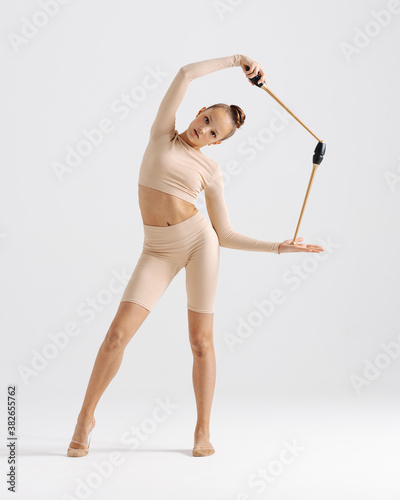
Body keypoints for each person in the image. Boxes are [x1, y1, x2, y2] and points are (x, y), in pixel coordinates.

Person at [67, 54, 324, 459]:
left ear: (217, 144)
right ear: (199, 111)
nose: (202, 130)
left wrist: (280, 246)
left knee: (201, 343)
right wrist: (238, 60)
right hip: (156, 249)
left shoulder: (210, 171)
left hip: (199, 243)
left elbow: (224, 234)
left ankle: (202, 431)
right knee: (117, 335)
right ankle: (85, 418)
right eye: (205, 120)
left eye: (212, 133)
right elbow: (185, 73)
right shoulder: (161, 134)